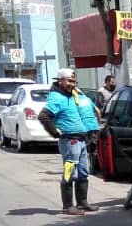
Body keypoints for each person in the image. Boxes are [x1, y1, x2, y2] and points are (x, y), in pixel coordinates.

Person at [38, 68, 102, 215]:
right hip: (69, 140)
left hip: (81, 139)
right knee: (69, 172)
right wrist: (54, 132)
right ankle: (67, 206)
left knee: (83, 172)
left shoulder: (71, 94)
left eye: (73, 81)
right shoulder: (56, 97)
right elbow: (44, 116)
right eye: (69, 81)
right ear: (60, 81)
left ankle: (82, 202)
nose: (72, 84)